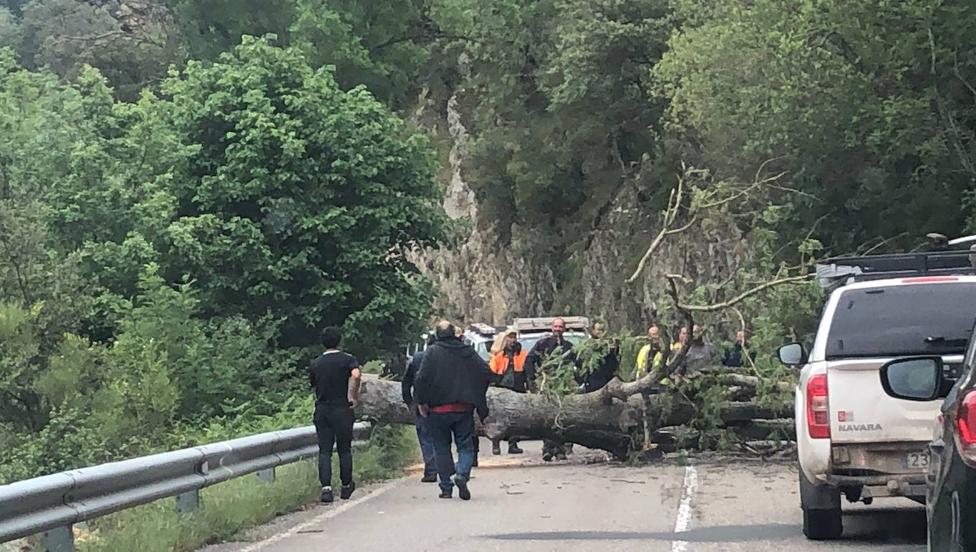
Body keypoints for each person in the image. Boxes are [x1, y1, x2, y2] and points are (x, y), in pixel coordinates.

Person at [414, 320, 491, 500]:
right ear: (453, 333)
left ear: (438, 334)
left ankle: (446, 488)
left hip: (438, 410)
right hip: (463, 408)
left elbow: (421, 379)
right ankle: (462, 474)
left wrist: (422, 402)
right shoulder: (466, 351)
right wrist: (475, 394)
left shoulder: (432, 352)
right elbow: (486, 372)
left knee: (441, 448)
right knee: (465, 445)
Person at [308, 326, 362, 504]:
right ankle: (346, 485)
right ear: (339, 341)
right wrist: (352, 395)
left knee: (324, 450)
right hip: (342, 409)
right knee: (344, 449)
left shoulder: (316, 363)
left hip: (323, 409)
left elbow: (313, 385)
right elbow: (356, 374)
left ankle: (326, 489)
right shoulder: (347, 359)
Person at [525, 318, 576, 461]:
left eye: (560, 327)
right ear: (551, 328)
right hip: (546, 385)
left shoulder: (569, 346)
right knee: (546, 418)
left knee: (561, 417)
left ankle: (560, 449)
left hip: (563, 387)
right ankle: (547, 449)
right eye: (556, 326)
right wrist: (532, 379)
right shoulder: (543, 344)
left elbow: (577, 362)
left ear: (564, 329)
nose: (558, 329)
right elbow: (529, 360)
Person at [402, 333, 438, 483]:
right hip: (443, 404)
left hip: (421, 403)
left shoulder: (417, 358)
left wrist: (410, 401)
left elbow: (406, 382)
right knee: (441, 437)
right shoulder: (446, 359)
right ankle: (442, 468)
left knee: (425, 437)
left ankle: (431, 470)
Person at [488, 327, 527, 455]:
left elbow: (527, 370)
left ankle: (513, 444)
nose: (512, 340)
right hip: (501, 389)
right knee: (498, 418)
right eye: (510, 337)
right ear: (505, 340)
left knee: (515, 418)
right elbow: (492, 373)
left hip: (517, 388)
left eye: (514, 337)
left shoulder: (522, 354)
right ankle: (496, 444)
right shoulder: (499, 356)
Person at [576, 322, 619, 393]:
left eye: (602, 330)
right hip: (592, 384)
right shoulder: (586, 346)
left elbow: (614, 364)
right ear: (593, 330)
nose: (601, 332)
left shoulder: (609, 346)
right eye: (598, 330)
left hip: (606, 383)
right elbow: (579, 365)